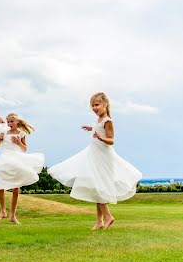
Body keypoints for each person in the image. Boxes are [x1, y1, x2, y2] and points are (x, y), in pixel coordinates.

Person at [48, 92, 142, 230]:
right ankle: (99, 221)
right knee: (96, 187)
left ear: (105, 104)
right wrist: (91, 128)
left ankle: (108, 217)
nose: (94, 108)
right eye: (92, 105)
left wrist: (100, 138)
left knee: (99, 187)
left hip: (103, 158)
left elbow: (111, 140)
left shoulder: (108, 120)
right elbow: (99, 128)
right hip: (94, 155)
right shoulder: (99, 121)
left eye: (97, 105)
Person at [0, 112, 44, 224]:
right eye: (8, 121)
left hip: (17, 160)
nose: (9, 123)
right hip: (5, 159)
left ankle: (12, 215)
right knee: (0, 186)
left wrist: (19, 142)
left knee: (16, 188)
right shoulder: (4, 132)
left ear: (17, 122)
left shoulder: (22, 133)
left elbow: (24, 149)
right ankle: (2, 212)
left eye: (11, 121)